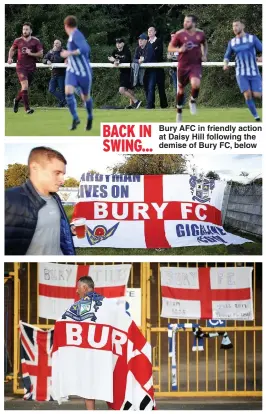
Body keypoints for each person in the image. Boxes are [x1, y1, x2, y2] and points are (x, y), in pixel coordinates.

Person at [5, 146, 76, 256]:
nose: (62, 180)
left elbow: (50, 230)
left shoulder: (55, 198)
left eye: (63, 174)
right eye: (57, 173)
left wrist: (70, 230)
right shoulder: (9, 199)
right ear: (35, 168)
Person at [168, 15, 208, 122]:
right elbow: (170, 48)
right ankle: (179, 112)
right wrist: (180, 49)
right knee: (181, 90)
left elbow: (204, 44)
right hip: (183, 66)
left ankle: (192, 101)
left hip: (195, 64)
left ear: (194, 23)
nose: (185, 23)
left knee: (196, 83)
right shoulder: (179, 34)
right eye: (184, 21)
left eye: (187, 21)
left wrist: (204, 54)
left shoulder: (200, 34)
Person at [223, 19, 262, 121]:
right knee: (247, 95)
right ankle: (256, 117)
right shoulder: (232, 42)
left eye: (237, 25)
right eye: (233, 26)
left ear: (243, 26)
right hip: (241, 73)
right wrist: (225, 64)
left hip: (254, 72)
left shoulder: (252, 39)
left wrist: (261, 57)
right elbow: (227, 56)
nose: (235, 28)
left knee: (258, 95)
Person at [61, 15, 93, 131]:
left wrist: (68, 54)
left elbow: (85, 49)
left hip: (84, 72)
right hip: (72, 71)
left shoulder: (76, 34)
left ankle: (90, 117)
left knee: (85, 97)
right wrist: (69, 58)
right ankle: (75, 118)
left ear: (66, 26)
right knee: (68, 92)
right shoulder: (71, 36)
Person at [7, 22, 43, 114]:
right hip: (21, 67)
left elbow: (41, 54)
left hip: (31, 68)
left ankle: (16, 100)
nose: (25, 31)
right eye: (23, 29)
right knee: (25, 86)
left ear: (31, 30)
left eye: (27, 29)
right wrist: (10, 58)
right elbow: (12, 49)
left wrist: (31, 53)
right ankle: (27, 109)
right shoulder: (18, 40)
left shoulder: (36, 41)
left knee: (24, 88)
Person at [108, 38, 141, 109]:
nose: (118, 44)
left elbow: (126, 60)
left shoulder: (127, 50)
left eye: (119, 43)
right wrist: (114, 61)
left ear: (123, 43)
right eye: (117, 43)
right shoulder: (115, 51)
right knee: (129, 90)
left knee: (122, 90)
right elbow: (110, 59)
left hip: (129, 72)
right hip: (122, 72)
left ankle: (136, 101)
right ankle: (132, 105)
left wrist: (116, 60)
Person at [133, 33, 156, 109]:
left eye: (142, 40)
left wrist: (141, 61)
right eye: (139, 40)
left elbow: (148, 60)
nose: (140, 41)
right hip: (144, 71)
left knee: (150, 87)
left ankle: (149, 105)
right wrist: (138, 60)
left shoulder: (149, 47)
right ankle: (150, 105)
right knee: (146, 87)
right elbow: (134, 59)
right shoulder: (137, 48)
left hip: (152, 70)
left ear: (146, 40)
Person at [148, 26, 168, 108]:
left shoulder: (159, 41)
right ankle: (151, 105)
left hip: (159, 68)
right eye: (148, 31)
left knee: (161, 87)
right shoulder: (147, 42)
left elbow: (158, 54)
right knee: (151, 87)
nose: (149, 32)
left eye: (151, 31)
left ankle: (164, 105)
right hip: (150, 69)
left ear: (155, 32)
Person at [43, 39, 66, 107]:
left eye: (57, 43)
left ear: (60, 45)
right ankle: (64, 101)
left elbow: (59, 60)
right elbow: (44, 59)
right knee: (51, 89)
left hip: (61, 74)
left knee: (62, 90)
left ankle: (62, 103)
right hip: (53, 74)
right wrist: (46, 61)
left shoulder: (63, 51)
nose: (55, 44)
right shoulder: (50, 51)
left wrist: (54, 53)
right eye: (54, 43)